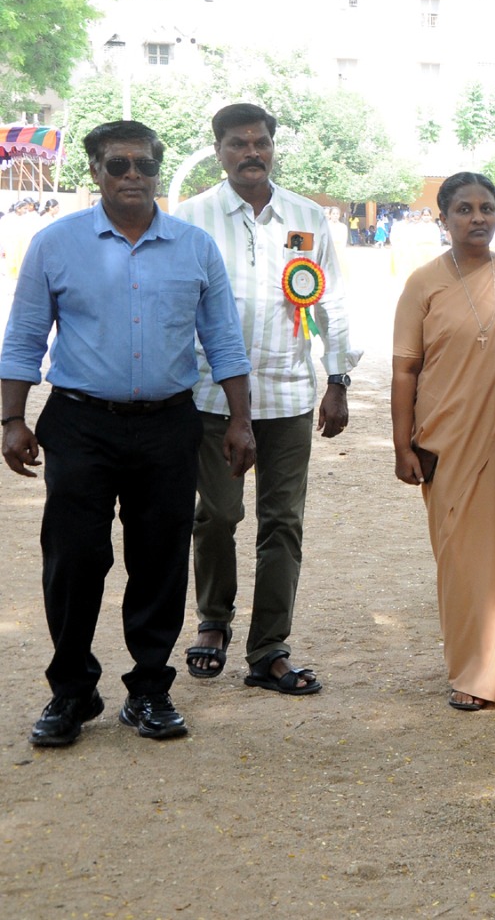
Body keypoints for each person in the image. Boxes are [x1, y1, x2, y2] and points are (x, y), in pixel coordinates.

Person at [1, 119, 256, 746]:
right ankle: (72, 691)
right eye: (118, 165)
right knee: (73, 559)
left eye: (144, 164)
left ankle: (149, 690)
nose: (133, 176)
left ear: (157, 171)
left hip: (169, 425)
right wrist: (11, 419)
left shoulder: (195, 247)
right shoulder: (55, 244)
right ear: (95, 171)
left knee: (160, 559)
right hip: (79, 424)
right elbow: (25, 337)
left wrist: (240, 420)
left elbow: (224, 340)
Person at [173, 103, 360, 696]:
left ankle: (269, 648)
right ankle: (213, 620)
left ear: (273, 147)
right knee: (217, 514)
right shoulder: (190, 218)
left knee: (282, 522)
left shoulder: (307, 217)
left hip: (289, 394)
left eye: (260, 142)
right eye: (238, 143)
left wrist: (337, 379)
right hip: (210, 396)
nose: (251, 152)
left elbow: (331, 301)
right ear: (219, 150)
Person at [392, 172, 495, 711]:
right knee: (464, 558)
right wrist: (402, 445)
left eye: (487, 208)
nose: (477, 218)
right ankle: (475, 671)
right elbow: (405, 370)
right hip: (450, 441)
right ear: (443, 218)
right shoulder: (423, 283)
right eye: (464, 209)